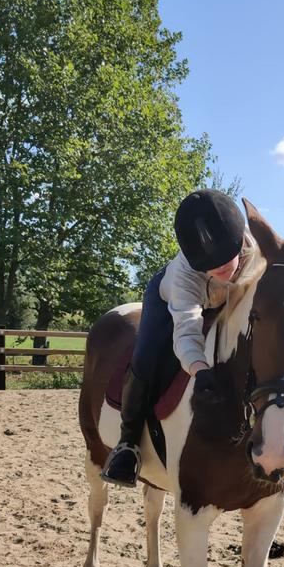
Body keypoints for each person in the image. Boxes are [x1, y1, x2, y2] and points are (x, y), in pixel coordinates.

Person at [101, 189, 255, 487]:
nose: (221, 267)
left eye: (227, 256)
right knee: (145, 358)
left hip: (226, 303)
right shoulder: (185, 276)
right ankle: (128, 444)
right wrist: (199, 368)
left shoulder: (255, 248)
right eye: (210, 264)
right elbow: (186, 328)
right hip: (168, 301)